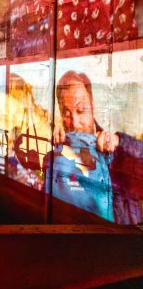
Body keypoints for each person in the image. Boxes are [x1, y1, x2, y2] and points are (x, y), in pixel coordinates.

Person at [47, 71, 143, 224]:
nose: (75, 121)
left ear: (92, 105)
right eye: (66, 113)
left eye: (81, 110)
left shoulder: (116, 150)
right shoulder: (60, 148)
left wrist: (119, 140)